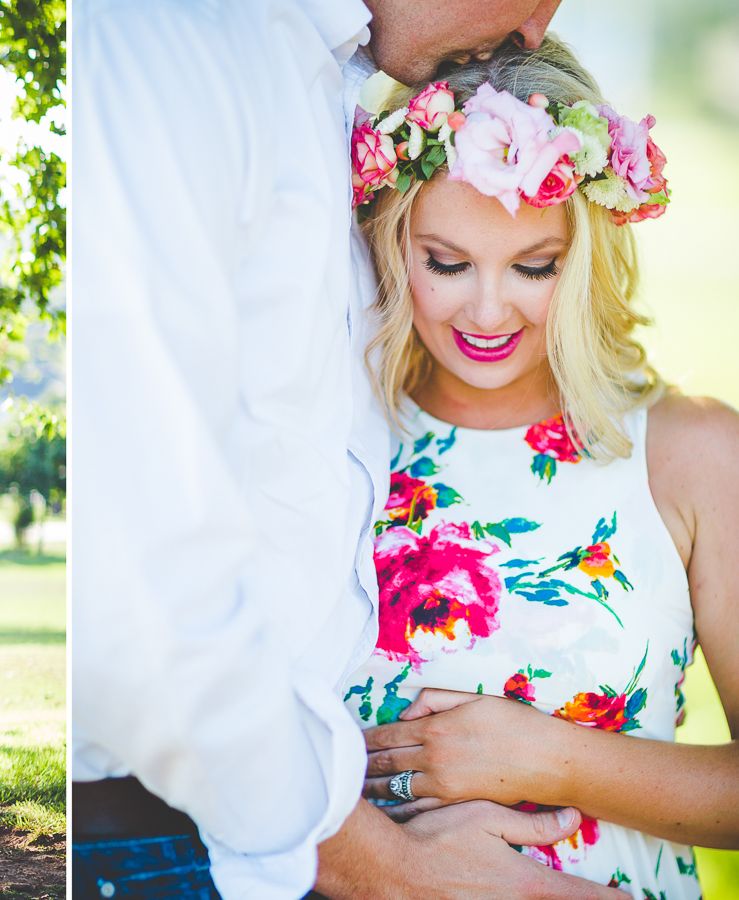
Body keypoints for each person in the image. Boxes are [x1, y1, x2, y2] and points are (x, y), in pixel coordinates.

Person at [73, 0, 634, 897]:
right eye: (446, 261)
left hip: (261, 843)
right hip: (162, 837)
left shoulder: (323, 82)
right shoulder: (180, 45)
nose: (535, 29)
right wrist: (390, 866)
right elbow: (140, 582)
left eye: (533, 263)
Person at [342, 37, 735, 898]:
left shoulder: (693, 453)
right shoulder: (339, 443)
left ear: (588, 251)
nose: (488, 310)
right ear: (390, 236)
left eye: (534, 266)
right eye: (446, 263)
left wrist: (548, 758)